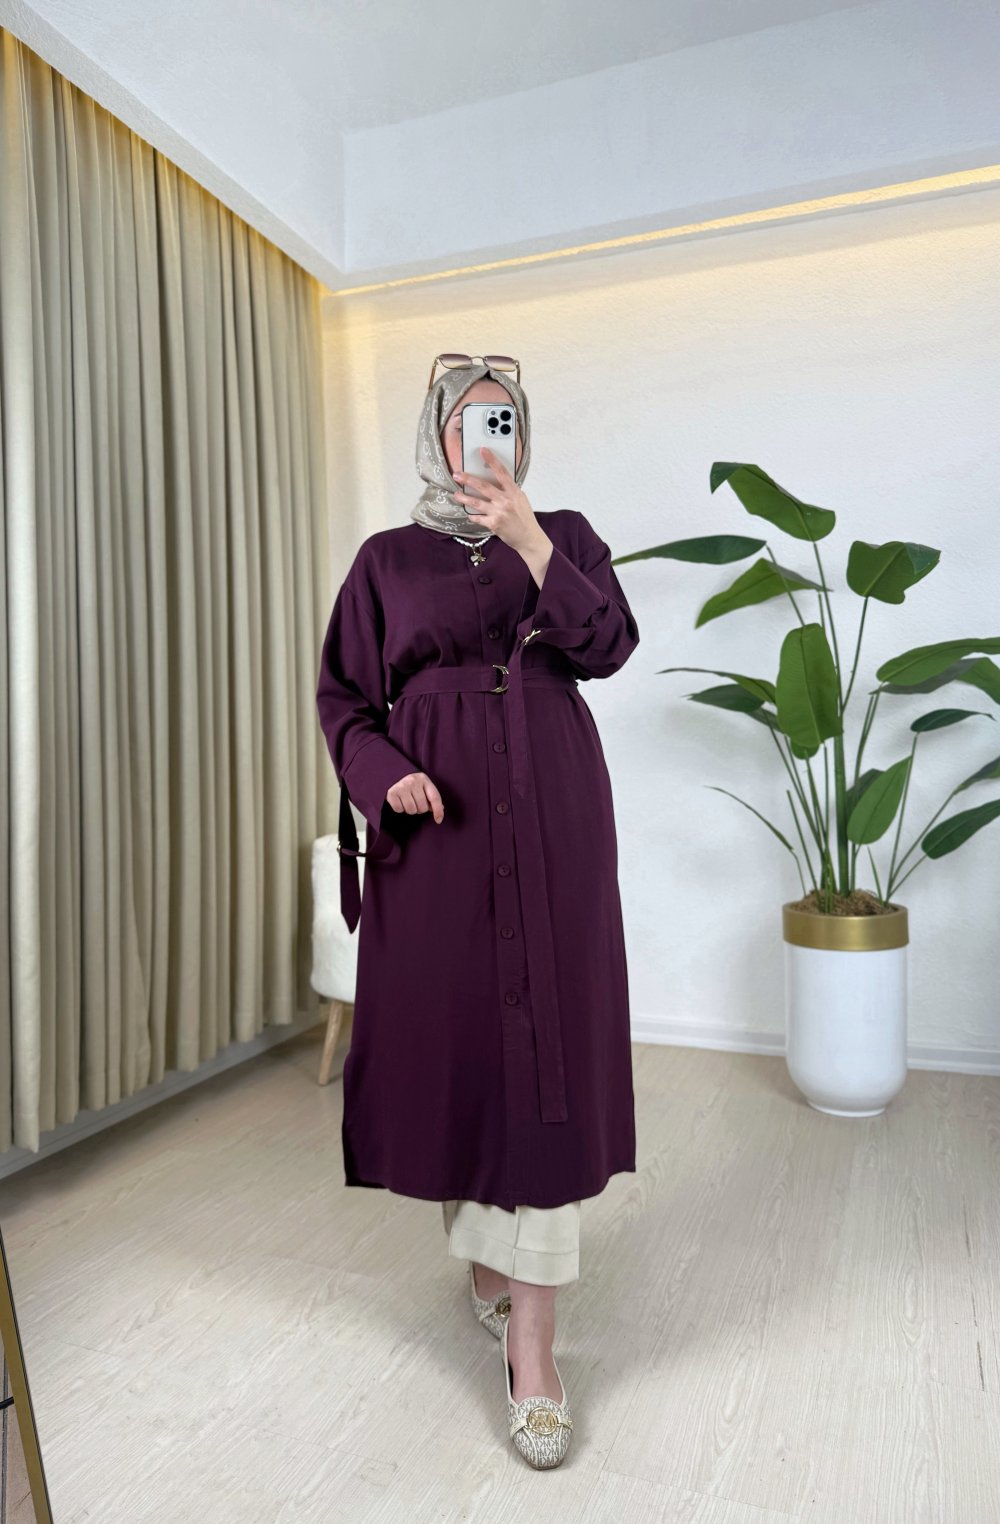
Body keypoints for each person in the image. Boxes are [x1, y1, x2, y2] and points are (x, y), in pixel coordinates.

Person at [316, 353, 640, 1469]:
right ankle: (489, 1253)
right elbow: (344, 698)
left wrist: (533, 541)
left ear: (522, 437)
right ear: (437, 437)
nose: (486, 437)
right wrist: (383, 774)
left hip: (552, 815)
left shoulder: (567, 535)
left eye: (505, 420)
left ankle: (533, 1351)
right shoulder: (385, 559)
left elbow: (608, 646)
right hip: (438, 827)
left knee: (549, 1054)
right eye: (468, 421)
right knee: (462, 1049)